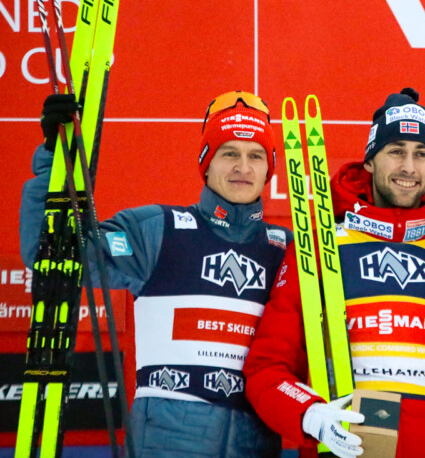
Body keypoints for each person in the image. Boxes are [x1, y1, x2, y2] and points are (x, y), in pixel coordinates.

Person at [243, 88, 425, 458]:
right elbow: (267, 368)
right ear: (370, 161)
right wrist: (309, 413)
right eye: (396, 151)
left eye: (421, 154)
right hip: (349, 447)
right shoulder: (323, 246)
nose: (409, 167)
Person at [20, 91, 292, 457]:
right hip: (166, 445)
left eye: (255, 155)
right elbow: (57, 254)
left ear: (269, 168)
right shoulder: (156, 230)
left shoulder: (289, 251)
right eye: (229, 153)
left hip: (256, 446)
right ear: (206, 163)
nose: (243, 167)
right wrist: (55, 163)